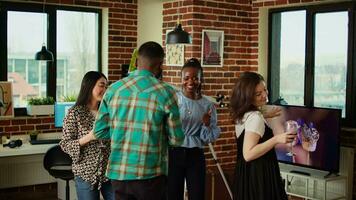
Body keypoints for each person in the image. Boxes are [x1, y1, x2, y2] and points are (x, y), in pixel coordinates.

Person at [93, 41, 184, 200]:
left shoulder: (113, 90)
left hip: (118, 173)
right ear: (160, 65)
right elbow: (176, 139)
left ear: (136, 62)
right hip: (150, 173)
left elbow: (99, 131)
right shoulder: (167, 93)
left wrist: (120, 133)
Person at [230, 71, 294, 200]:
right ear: (248, 96)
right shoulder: (255, 118)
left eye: (264, 90)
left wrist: (264, 116)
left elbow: (249, 129)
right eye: (258, 94)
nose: (264, 95)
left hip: (245, 175)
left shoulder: (243, 114)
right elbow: (248, 154)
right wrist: (277, 139)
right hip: (259, 176)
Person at [168, 58, 221, 200]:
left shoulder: (207, 105)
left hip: (195, 155)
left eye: (195, 78)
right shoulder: (173, 100)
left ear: (200, 79)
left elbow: (207, 138)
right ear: (181, 79)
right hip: (174, 152)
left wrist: (206, 124)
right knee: (172, 194)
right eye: (186, 78)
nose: (190, 82)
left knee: (197, 194)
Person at [60, 71, 114, 200]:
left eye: (106, 86)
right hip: (85, 174)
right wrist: (90, 137)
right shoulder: (75, 113)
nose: (105, 89)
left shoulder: (108, 111)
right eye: (101, 85)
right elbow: (65, 144)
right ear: (89, 86)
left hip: (109, 172)